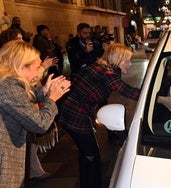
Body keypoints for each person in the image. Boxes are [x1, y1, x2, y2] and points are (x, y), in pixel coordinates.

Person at [58, 43, 141, 188]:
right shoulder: (106, 72)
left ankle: (87, 183)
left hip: (72, 112)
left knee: (87, 154)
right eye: (127, 60)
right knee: (92, 156)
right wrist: (153, 97)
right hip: (76, 116)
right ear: (118, 59)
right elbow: (124, 89)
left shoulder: (101, 67)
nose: (130, 64)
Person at [0, 40, 71, 188]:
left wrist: (44, 90)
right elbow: (40, 124)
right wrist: (52, 99)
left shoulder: (9, 83)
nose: (38, 73)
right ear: (21, 66)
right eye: (36, 68)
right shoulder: (8, 86)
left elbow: (24, 98)